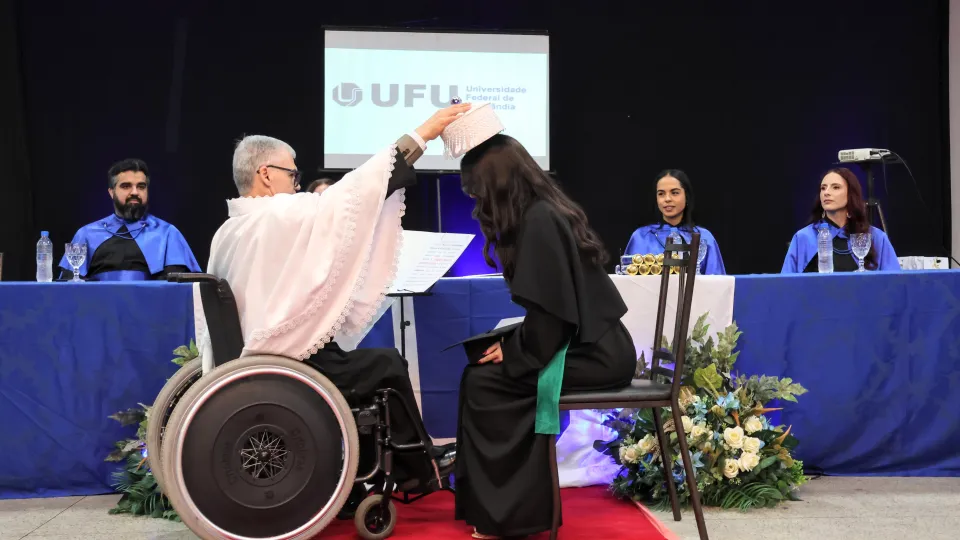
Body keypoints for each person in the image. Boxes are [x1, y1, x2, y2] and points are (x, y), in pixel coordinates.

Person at [198, 103, 471, 517]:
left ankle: (387, 468)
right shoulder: (274, 216)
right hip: (283, 363)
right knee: (385, 363)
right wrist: (424, 133)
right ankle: (421, 469)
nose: (298, 183)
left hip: (252, 360)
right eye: (292, 173)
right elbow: (353, 195)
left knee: (363, 360)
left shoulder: (229, 229)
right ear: (266, 175)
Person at [453, 133, 636, 539]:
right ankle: (495, 509)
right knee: (484, 371)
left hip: (598, 356)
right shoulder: (542, 213)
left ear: (497, 186)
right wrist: (513, 346)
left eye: (477, 193)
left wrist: (515, 353)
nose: (476, 204)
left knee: (489, 383)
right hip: (592, 345)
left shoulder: (538, 222)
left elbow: (552, 320)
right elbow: (554, 313)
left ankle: (511, 517)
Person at [59, 158, 201, 281]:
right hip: (98, 309)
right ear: (111, 192)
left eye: (141, 186)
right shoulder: (86, 235)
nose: (134, 192)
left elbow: (177, 291)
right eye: (126, 186)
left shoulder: (167, 233)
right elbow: (69, 290)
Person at [782, 167, 899, 273]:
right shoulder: (803, 237)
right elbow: (785, 287)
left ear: (850, 194)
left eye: (836, 187)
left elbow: (895, 285)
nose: (826, 192)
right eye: (823, 188)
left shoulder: (875, 237)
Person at [624, 169, 726, 274]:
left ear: (686, 196)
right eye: (661, 194)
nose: (667, 199)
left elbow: (718, 283)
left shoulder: (704, 237)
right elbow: (629, 283)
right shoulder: (641, 236)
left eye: (675, 193)